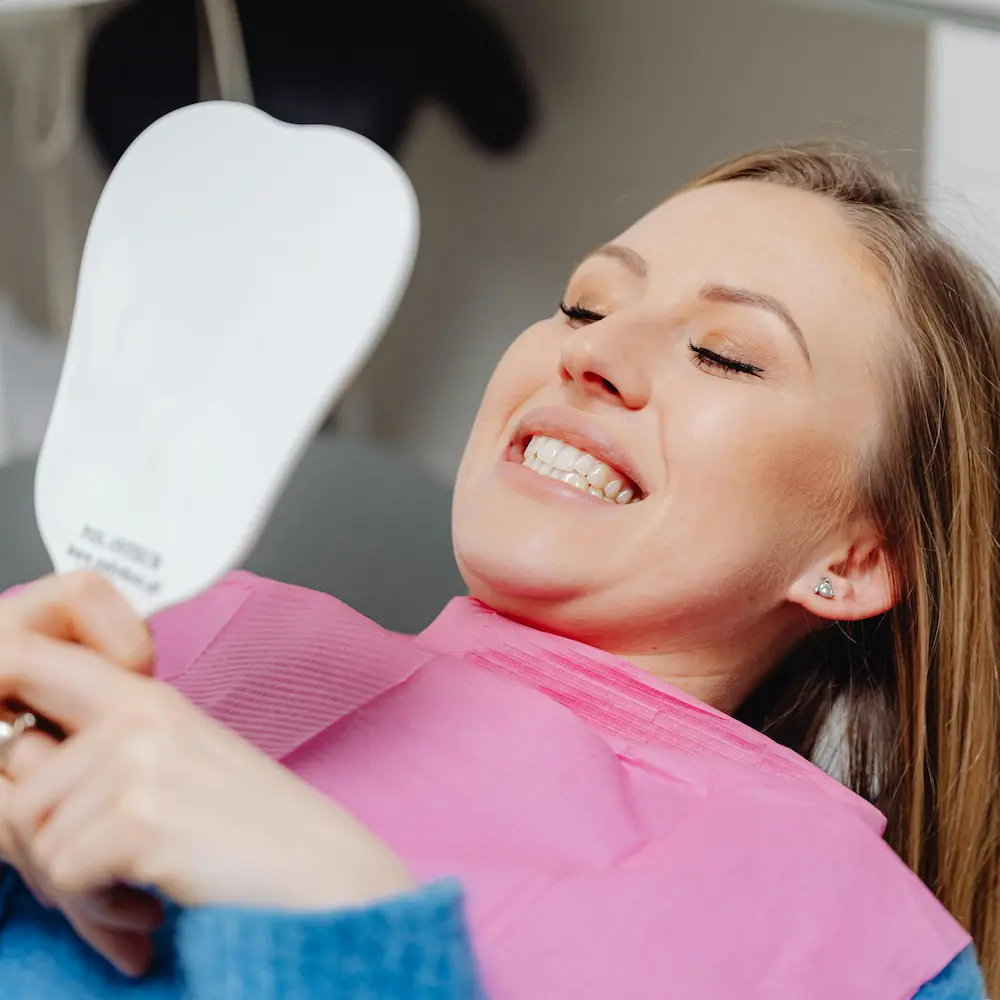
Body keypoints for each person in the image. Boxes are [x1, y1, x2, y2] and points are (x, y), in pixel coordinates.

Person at [0, 143, 994, 1000]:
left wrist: (339, 933)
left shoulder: (859, 953)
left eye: (726, 354)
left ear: (852, 559)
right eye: (582, 303)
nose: (594, 351)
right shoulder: (149, 637)